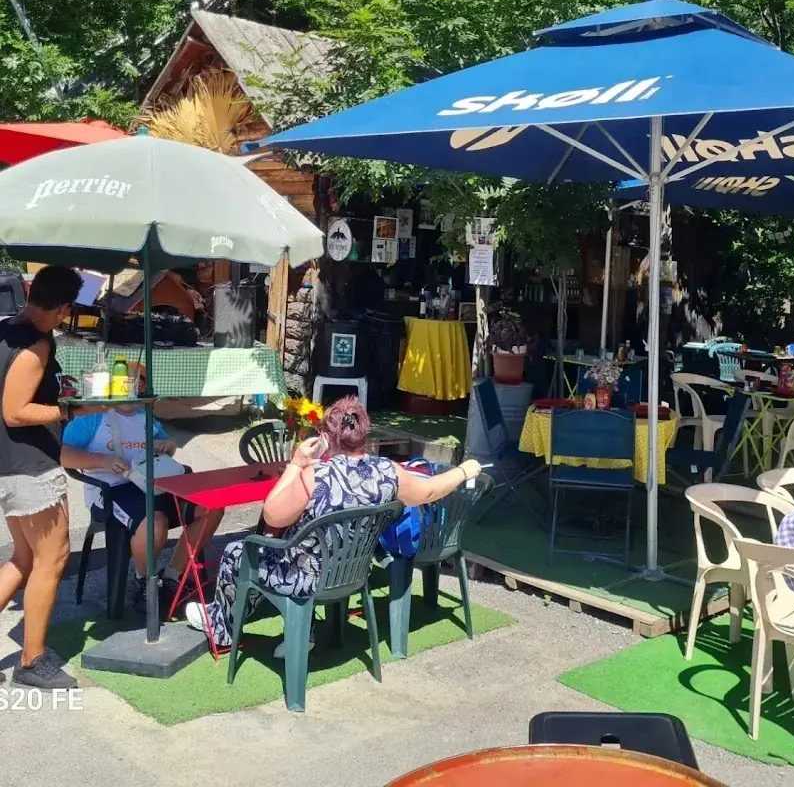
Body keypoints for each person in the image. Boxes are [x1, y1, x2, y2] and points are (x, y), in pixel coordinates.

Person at [184, 395, 481, 652]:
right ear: (364, 432)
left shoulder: (317, 475)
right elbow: (428, 491)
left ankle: (221, 627)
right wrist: (464, 471)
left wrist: (296, 465)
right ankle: (301, 632)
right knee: (289, 547)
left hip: (309, 579)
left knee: (239, 550)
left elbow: (272, 514)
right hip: (353, 573)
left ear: (327, 436)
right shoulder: (388, 471)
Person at [61, 367, 224, 614]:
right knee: (154, 523)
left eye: (139, 382)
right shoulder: (92, 417)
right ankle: (144, 580)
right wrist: (102, 461)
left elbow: (167, 445)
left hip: (154, 484)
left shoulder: (146, 416)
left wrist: (167, 446)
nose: (132, 387)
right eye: (125, 382)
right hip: (111, 490)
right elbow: (63, 455)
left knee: (211, 506)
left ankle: (171, 576)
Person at [0, 265, 82, 689]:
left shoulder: (8, 328)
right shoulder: (34, 344)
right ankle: (31, 661)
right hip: (29, 467)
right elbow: (14, 411)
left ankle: (32, 657)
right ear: (64, 307)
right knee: (53, 558)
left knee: (23, 558)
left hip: (9, 466)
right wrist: (69, 409)